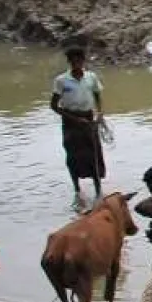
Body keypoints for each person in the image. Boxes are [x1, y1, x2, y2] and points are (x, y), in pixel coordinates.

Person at [50, 47, 105, 211]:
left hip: (88, 119)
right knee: (73, 156)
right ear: (69, 62)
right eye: (73, 61)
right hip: (70, 121)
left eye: (79, 60)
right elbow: (54, 106)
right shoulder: (61, 80)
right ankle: (77, 190)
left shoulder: (91, 77)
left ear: (83, 61)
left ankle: (98, 190)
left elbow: (97, 95)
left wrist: (100, 113)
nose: (76, 64)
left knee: (94, 153)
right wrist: (74, 119)